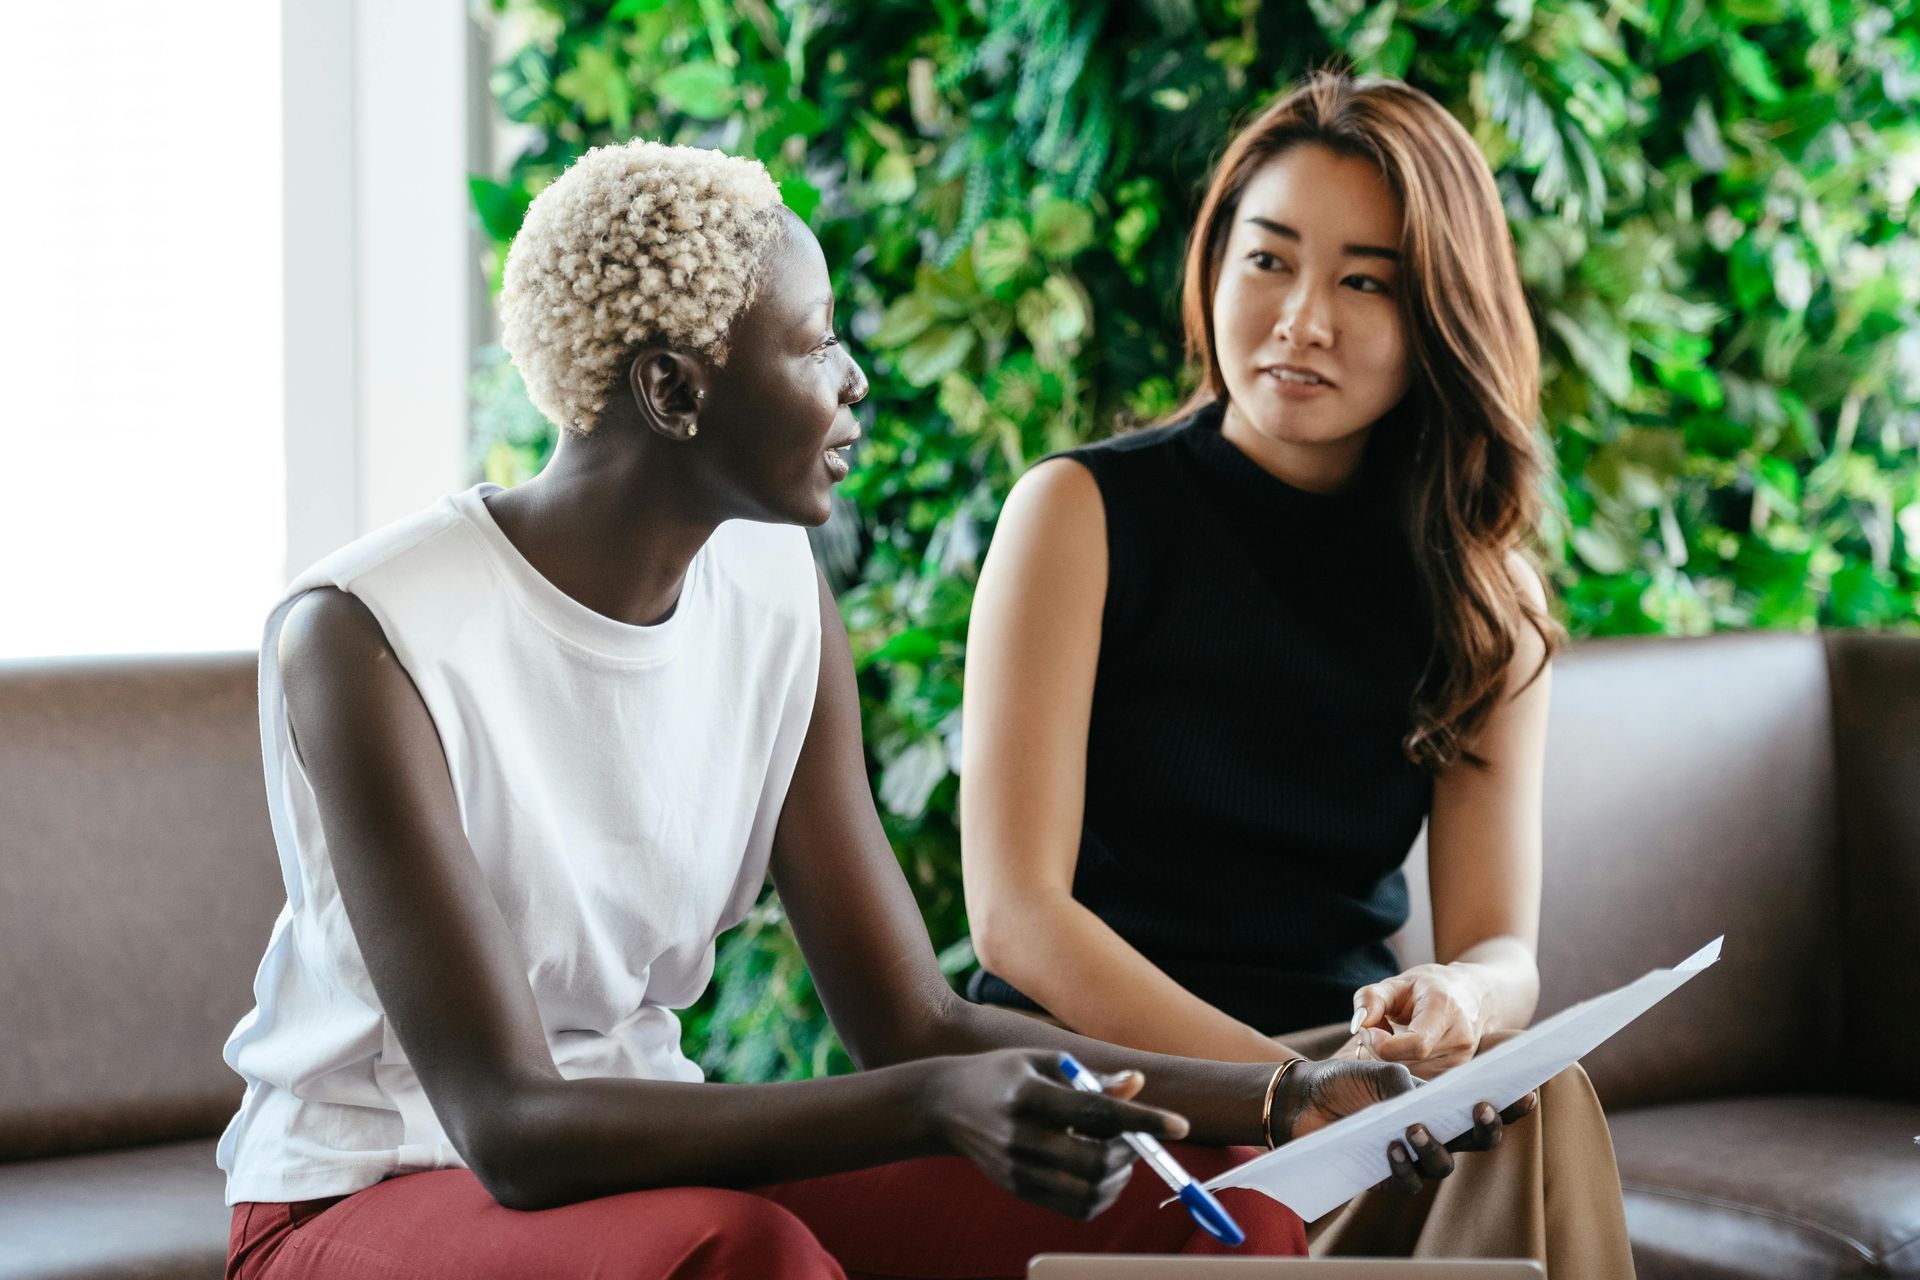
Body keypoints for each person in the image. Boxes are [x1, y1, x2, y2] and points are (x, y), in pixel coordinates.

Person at [216, 139, 1514, 1280]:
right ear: (673, 391)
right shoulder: (368, 636)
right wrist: (927, 1107)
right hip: (367, 1193)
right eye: (815, 339)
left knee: (1187, 1211)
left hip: (626, 1173)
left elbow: (914, 1018)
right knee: (742, 1254)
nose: (854, 381)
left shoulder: (776, 590)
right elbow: (513, 1126)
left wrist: (1282, 1098)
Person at [959, 72, 1639, 1274]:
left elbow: (1501, 950)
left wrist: (1459, 1004)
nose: (1301, 317)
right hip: (1112, 1078)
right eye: (1267, 260)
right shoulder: (1080, 513)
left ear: (1439, 312)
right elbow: (1019, 919)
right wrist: (1289, 1092)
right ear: (1215, 265)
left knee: (1533, 1097)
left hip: (1341, 1079)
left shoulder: (1484, 595)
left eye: (1364, 281)